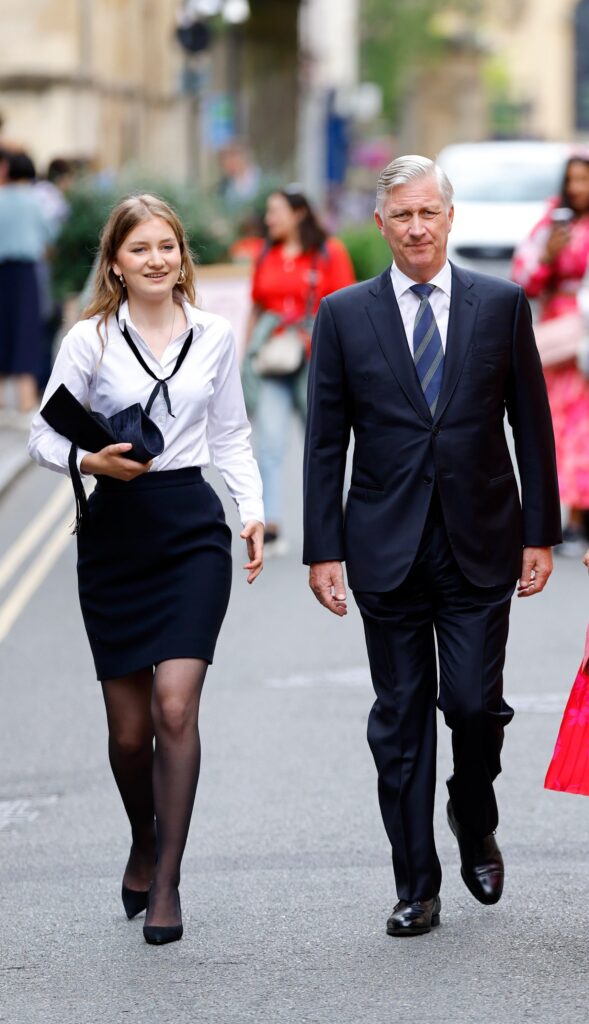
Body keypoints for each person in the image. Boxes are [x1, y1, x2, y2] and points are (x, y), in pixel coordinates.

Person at [303, 155, 561, 937]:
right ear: (379, 225)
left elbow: (532, 425)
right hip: (385, 546)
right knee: (402, 717)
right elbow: (325, 442)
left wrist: (538, 532)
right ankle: (415, 884)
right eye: (401, 216)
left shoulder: (500, 305)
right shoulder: (344, 314)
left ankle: (471, 811)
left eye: (428, 213)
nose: (416, 228)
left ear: (449, 218)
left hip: (480, 539)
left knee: (473, 705)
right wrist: (323, 548)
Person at [28, 194, 264, 946]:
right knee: (130, 734)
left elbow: (230, 432)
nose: (157, 259)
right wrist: (85, 459)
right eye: (140, 250)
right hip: (116, 533)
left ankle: (167, 880)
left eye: (167, 246)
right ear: (116, 263)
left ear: (181, 255)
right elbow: (39, 434)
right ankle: (142, 836)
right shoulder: (90, 340)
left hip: (192, 527)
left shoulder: (215, 335)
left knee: (173, 708)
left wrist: (252, 511)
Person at [248, 186, 355, 554]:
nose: (269, 218)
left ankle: (336, 515)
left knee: (323, 442)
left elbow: (347, 306)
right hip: (275, 360)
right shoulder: (267, 253)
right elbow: (257, 307)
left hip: (316, 360)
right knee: (270, 443)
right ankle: (272, 522)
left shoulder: (329, 252)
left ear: (298, 214)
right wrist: (248, 352)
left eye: (275, 211)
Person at [512, 154, 589, 557]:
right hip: (561, 340)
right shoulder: (551, 224)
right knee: (558, 428)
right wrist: (548, 257)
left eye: (585, 179)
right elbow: (521, 279)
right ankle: (563, 517)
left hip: (587, 335)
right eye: (571, 179)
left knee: (585, 430)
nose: (577, 187)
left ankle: (578, 519)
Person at [0, 150, 53, 419]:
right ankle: (25, 400)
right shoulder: (34, 202)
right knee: (26, 332)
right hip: (25, 273)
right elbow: (49, 235)